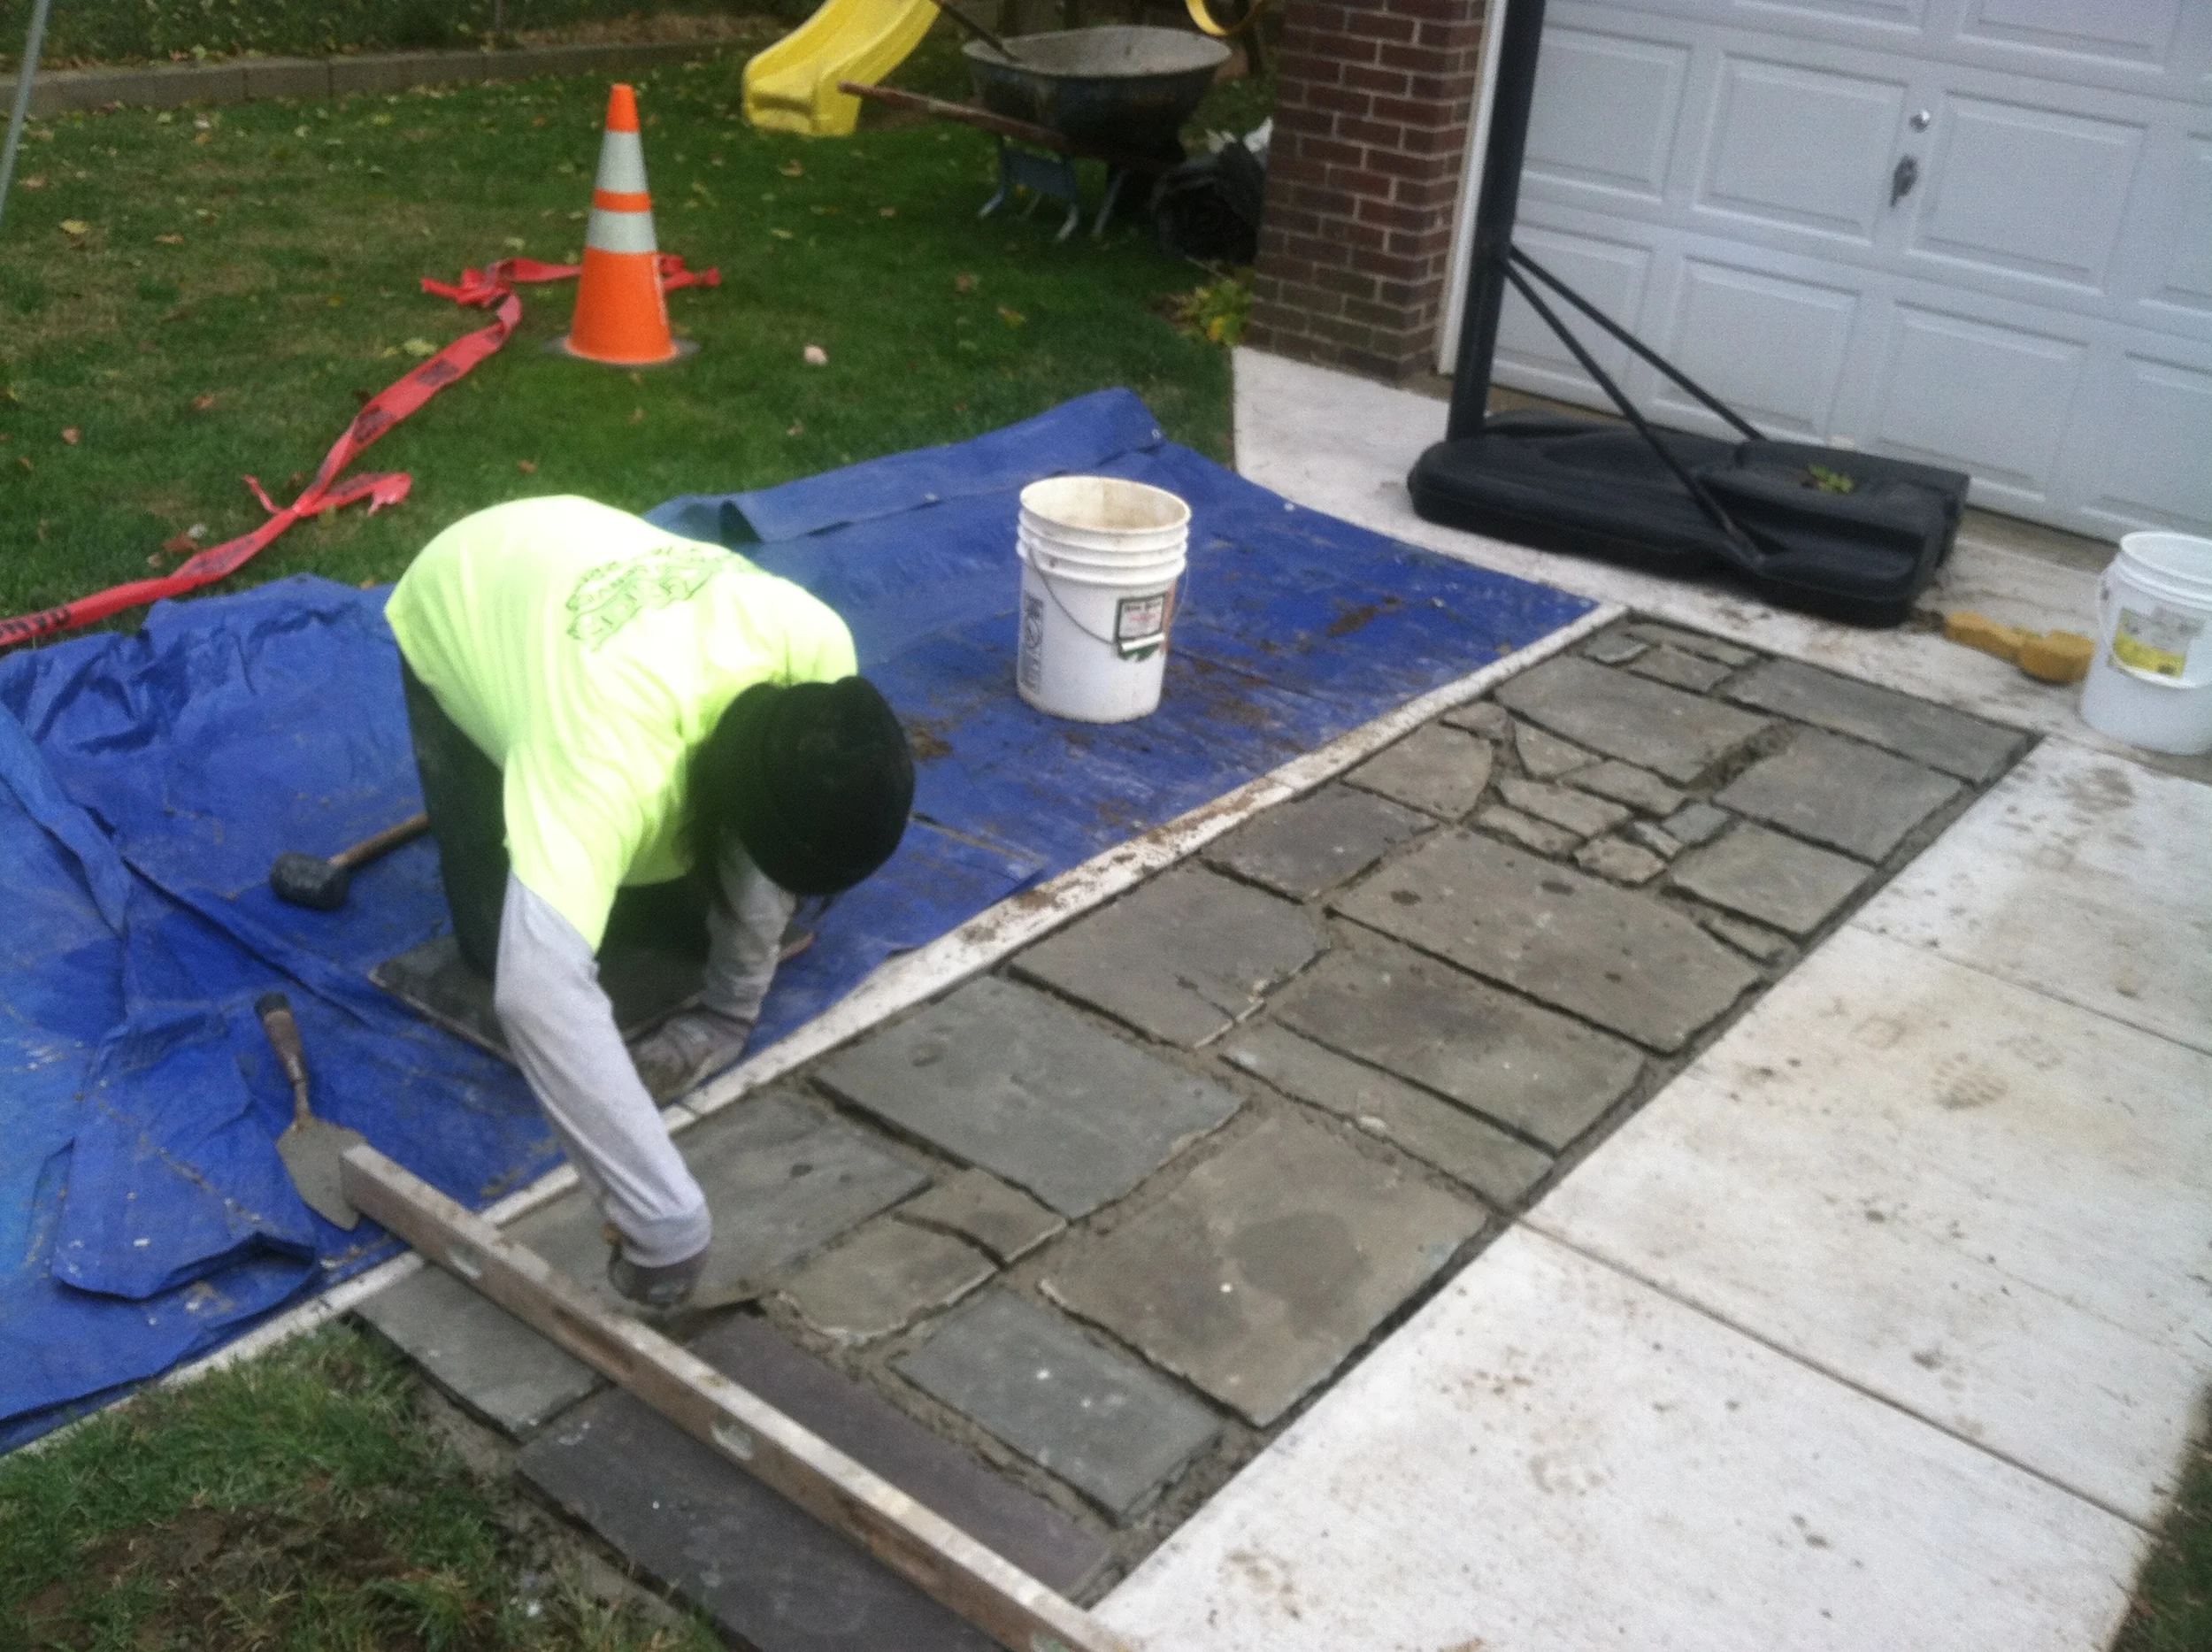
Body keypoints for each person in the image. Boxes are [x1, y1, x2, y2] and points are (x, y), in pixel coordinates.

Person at [385, 496, 913, 1310]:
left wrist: (725, 1017)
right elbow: (536, 991)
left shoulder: (818, 649)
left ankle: (654, 871)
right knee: (503, 947)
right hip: (471, 584)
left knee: (683, 910)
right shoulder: (601, 756)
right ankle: (497, 765)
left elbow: (767, 848)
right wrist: (662, 1219)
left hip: (585, 561)